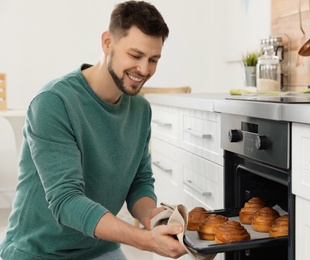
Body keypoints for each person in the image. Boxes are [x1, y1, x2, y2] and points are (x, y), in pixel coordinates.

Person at [0, 1, 188, 259]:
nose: (144, 69)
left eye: (153, 59)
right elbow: (66, 201)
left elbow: (140, 181)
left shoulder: (141, 109)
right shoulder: (54, 103)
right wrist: (144, 241)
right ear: (107, 43)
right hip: (39, 251)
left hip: (99, 248)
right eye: (135, 55)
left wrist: (151, 217)